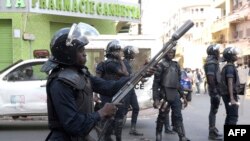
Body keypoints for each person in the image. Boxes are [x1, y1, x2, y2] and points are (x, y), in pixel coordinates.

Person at [41, 23, 130, 141]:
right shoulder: (61, 82)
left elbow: (108, 87)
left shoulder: (80, 73)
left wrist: (139, 75)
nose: (85, 53)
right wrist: (101, 113)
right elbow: (73, 125)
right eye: (80, 50)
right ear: (68, 53)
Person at [152, 47, 189, 141]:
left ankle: (182, 136)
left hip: (175, 93)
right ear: (165, 53)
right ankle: (158, 134)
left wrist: (183, 96)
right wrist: (156, 99)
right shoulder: (160, 66)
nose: (171, 54)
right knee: (162, 115)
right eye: (169, 52)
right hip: (164, 94)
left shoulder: (176, 65)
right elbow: (155, 84)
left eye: (172, 52)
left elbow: (178, 82)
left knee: (178, 115)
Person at [95, 39, 129, 141]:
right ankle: (106, 137)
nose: (120, 53)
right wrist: (95, 94)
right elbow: (97, 79)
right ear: (113, 51)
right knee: (107, 116)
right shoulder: (106, 64)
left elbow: (126, 74)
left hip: (117, 92)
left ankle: (117, 138)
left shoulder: (117, 63)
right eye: (118, 51)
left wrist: (120, 61)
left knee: (119, 116)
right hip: (106, 93)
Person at [122, 45, 143, 136]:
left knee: (136, 107)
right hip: (126, 90)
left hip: (130, 89)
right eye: (133, 53)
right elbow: (127, 76)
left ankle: (133, 129)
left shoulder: (129, 63)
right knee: (123, 110)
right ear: (129, 53)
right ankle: (112, 128)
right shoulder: (124, 63)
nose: (134, 54)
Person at [203, 44, 223, 140]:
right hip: (215, 90)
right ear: (214, 52)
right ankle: (211, 133)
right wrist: (215, 91)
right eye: (217, 50)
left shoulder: (213, 61)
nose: (219, 52)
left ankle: (213, 129)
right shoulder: (211, 63)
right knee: (213, 111)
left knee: (214, 110)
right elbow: (210, 78)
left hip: (216, 89)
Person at [220, 46, 241, 125]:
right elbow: (230, 82)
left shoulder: (228, 66)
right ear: (231, 56)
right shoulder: (230, 67)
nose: (237, 56)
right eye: (235, 55)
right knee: (233, 116)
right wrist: (232, 98)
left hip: (227, 94)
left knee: (229, 115)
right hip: (230, 96)